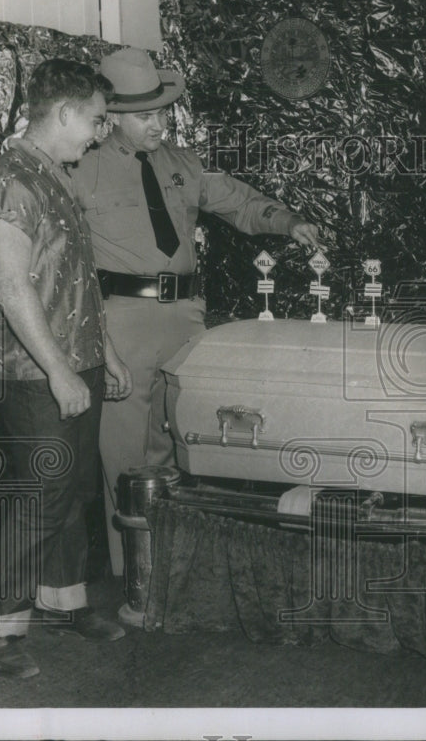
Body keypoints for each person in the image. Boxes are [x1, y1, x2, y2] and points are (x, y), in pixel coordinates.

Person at [69, 47, 322, 575]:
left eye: (162, 112)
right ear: (111, 119)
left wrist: (287, 220)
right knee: (123, 453)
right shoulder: (81, 171)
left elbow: (237, 201)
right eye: (145, 115)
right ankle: (133, 573)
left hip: (184, 316)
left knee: (176, 437)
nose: (159, 123)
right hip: (121, 318)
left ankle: (174, 568)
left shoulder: (182, 164)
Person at [0, 59, 134, 678]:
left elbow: (76, 283)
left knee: (75, 490)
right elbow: (12, 287)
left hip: (77, 358)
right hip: (37, 370)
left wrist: (105, 353)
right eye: (95, 119)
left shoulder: (54, 176)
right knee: (43, 494)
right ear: (63, 112)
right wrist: (61, 372)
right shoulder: (9, 181)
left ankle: (64, 599)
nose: (98, 132)